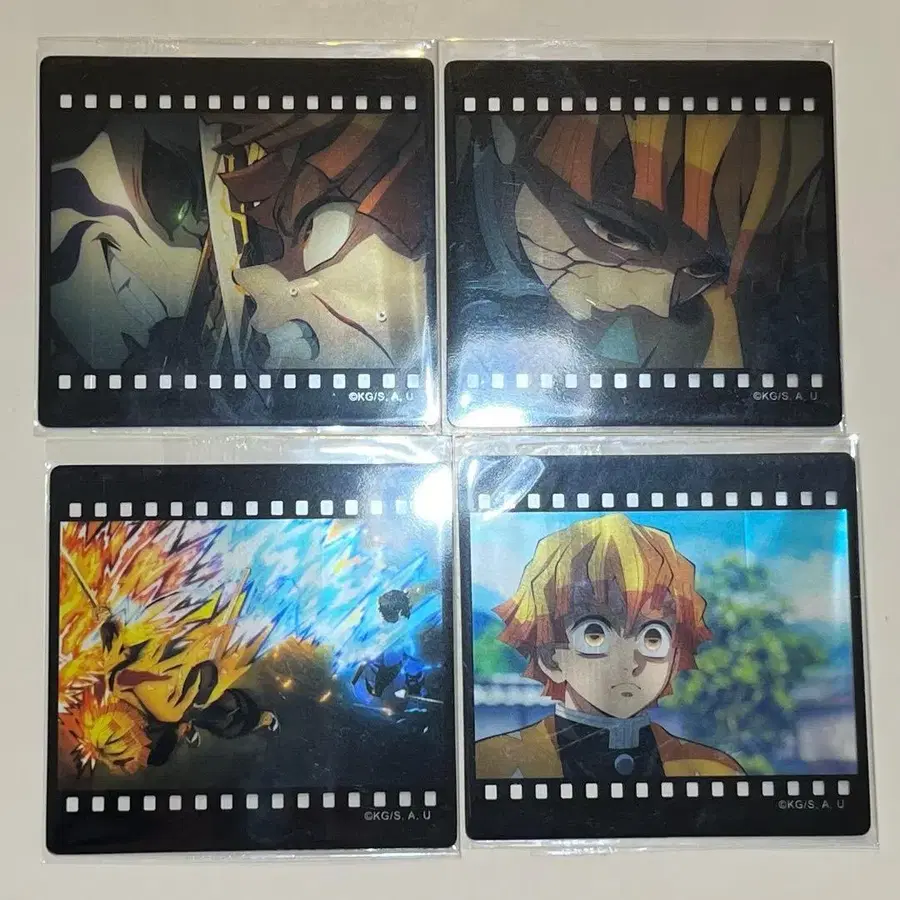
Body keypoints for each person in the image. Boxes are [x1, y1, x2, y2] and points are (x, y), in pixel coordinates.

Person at [475, 514, 743, 779]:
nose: (630, 661)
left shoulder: (711, 770)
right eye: (595, 635)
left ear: (674, 656)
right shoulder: (493, 765)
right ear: (550, 656)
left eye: (653, 637)